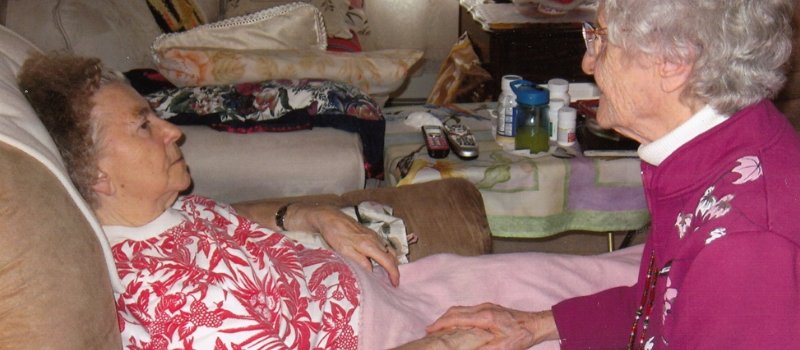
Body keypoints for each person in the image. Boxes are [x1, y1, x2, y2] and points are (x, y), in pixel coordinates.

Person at [20, 51, 648, 349]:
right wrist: (444, 344)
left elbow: (233, 221)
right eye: (142, 126)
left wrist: (310, 215)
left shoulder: (158, 213)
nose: (172, 130)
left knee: (635, 279)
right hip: (412, 334)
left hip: (407, 287)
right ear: (98, 176)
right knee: (628, 330)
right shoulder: (170, 304)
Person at [427, 0, 800, 348]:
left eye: (600, 40)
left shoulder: (747, 243)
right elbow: (663, 307)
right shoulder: (716, 147)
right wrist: (536, 324)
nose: (588, 63)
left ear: (673, 61)